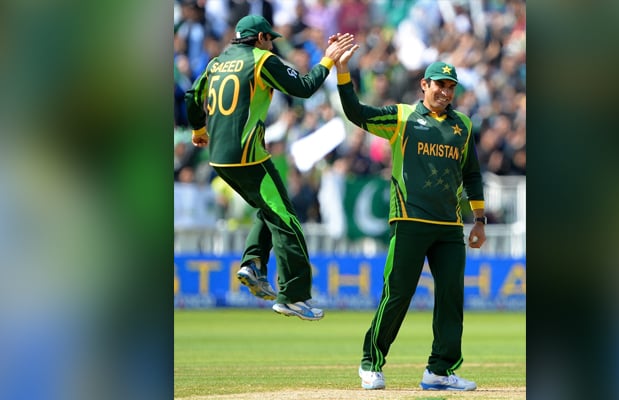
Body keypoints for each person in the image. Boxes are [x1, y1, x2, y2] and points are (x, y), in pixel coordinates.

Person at [334, 46, 487, 391]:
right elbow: (356, 112)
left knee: (451, 297)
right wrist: (343, 73)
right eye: (439, 85)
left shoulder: (462, 125)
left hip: (449, 226)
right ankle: (370, 362)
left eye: (451, 87)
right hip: (409, 219)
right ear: (424, 84)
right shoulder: (402, 117)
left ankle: (439, 371)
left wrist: (479, 219)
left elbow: (472, 175)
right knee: (398, 293)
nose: (445, 93)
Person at [184, 14, 356, 321]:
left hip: (219, 158)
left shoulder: (217, 62)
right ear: (261, 38)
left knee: (271, 208)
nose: (272, 45)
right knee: (287, 221)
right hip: (248, 156)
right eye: (270, 40)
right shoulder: (262, 60)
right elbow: (303, 88)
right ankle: (293, 296)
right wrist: (328, 61)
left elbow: (193, 96)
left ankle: (253, 263)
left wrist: (199, 131)